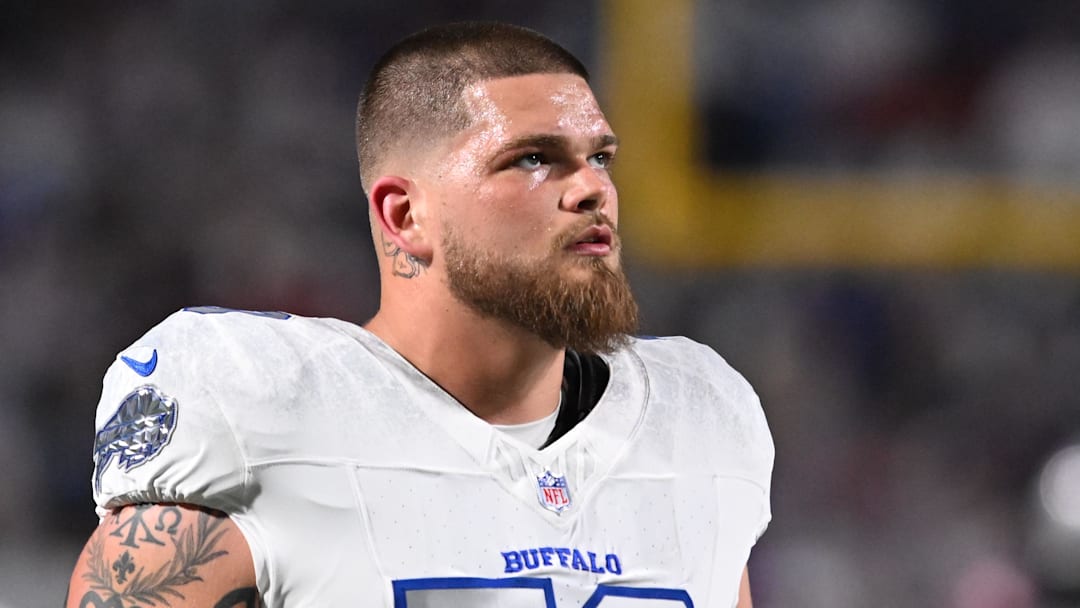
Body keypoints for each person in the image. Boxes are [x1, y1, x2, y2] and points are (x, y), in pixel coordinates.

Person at [66, 22, 774, 608]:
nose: (593, 188)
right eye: (533, 159)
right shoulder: (258, 403)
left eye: (600, 156)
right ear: (406, 216)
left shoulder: (702, 417)